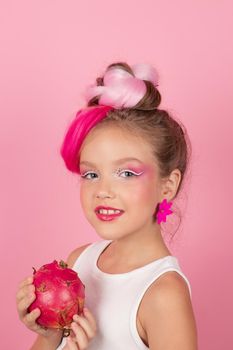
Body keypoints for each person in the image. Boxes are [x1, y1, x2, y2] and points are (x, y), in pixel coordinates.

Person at [16, 61, 198, 349]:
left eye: (126, 173)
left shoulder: (163, 294)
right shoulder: (77, 263)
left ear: (168, 185)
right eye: (91, 174)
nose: (102, 191)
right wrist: (51, 337)